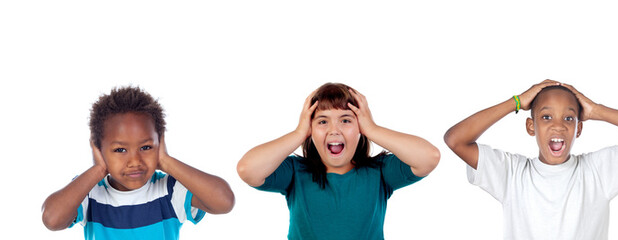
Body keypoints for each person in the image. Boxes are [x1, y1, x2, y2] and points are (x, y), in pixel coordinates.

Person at [444, 79, 618, 239]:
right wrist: (515, 102)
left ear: (579, 129)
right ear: (531, 126)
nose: (558, 125)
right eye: (546, 117)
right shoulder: (511, 173)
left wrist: (597, 110)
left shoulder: (598, 171)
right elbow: (456, 140)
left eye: (568, 118)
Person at [236, 83, 440, 240]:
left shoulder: (379, 172)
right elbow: (247, 169)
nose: (334, 130)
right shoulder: (295, 172)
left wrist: (373, 129)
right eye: (323, 121)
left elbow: (429, 157)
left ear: (360, 127)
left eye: (346, 120)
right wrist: (299, 133)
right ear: (310, 129)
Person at [41, 86, 235, 239]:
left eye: (145, 147)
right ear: (98, 149)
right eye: (120, 150)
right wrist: (98, 169)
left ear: (160, 143)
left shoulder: (169, 190)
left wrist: (166, 162)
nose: (135, 161)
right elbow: (52, 219)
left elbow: (224, 202)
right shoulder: (90, 191)